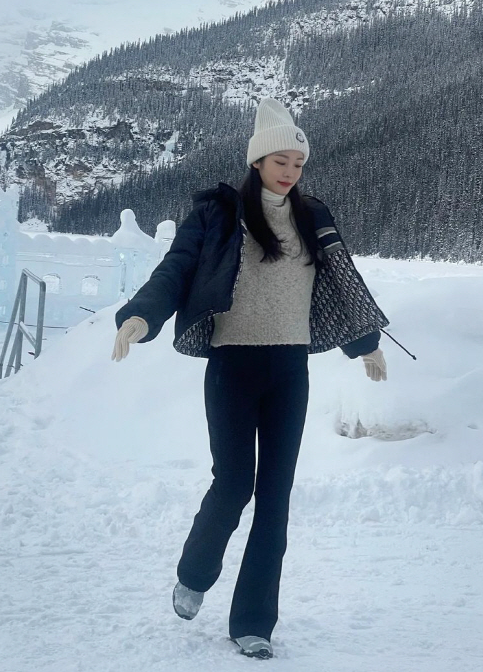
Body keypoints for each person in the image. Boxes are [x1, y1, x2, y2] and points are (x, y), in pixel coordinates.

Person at [111, 98, 389, 660]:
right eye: (281, 160)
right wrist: (140, 316)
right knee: (236, 481)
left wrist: (366, 345)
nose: (290, 172)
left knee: (276, 497)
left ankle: (253, 623)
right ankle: (194, 573)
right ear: (258, 161)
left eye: (299, 163)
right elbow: (177, 267)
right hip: (233, 366)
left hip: (289, 369)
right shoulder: (218, 213)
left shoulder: (313, 216)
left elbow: (342, 280)